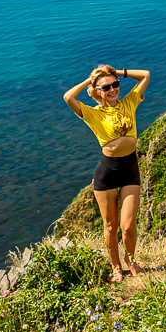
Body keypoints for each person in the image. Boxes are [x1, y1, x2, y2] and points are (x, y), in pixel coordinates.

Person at [63, 64, 151, 282]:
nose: (112, 89)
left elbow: (146, 75)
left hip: (130, 169)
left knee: (128, 225)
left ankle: (131, 261)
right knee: (110, 226)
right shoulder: (92, 113)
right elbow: (68, 97)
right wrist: (91, 80)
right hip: (108, 172)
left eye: (115, 85)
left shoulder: (130, 101)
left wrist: (116, 73)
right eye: (106, 87)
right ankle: (116, 267)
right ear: (97, 91)